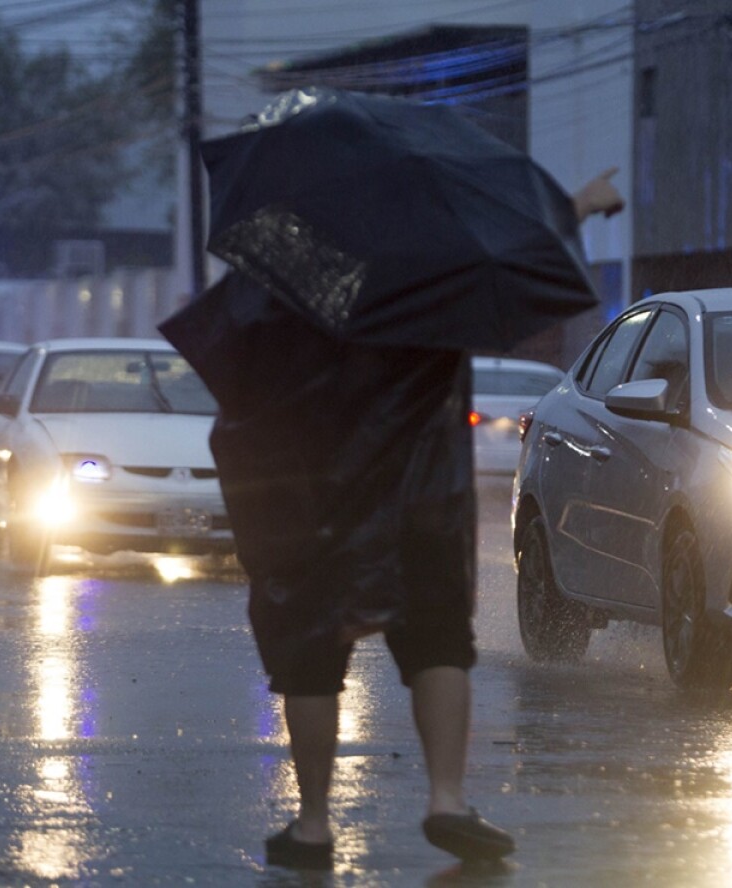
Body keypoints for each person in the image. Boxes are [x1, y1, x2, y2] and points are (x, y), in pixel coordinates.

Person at [220, 167, 625, 871]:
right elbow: (521, 265)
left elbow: (234, 378)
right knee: (437, 643)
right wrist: (576, 207)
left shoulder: (282, 276)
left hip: (310, 495)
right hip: (419, 497)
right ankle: (446, 798)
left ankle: (313, 824)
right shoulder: (429, 276)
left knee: (309, 656)